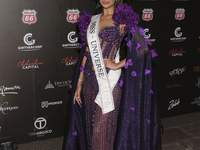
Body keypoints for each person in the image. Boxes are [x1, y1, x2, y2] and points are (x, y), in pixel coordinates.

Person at [62, 0, 162, 150]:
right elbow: (88, 52)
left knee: (100, 133)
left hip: (109, 82)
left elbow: (143, 50)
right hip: (89, 82)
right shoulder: (91, 20)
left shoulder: (122, 19)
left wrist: (117, 64)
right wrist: (79, 81)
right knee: (91, 131)